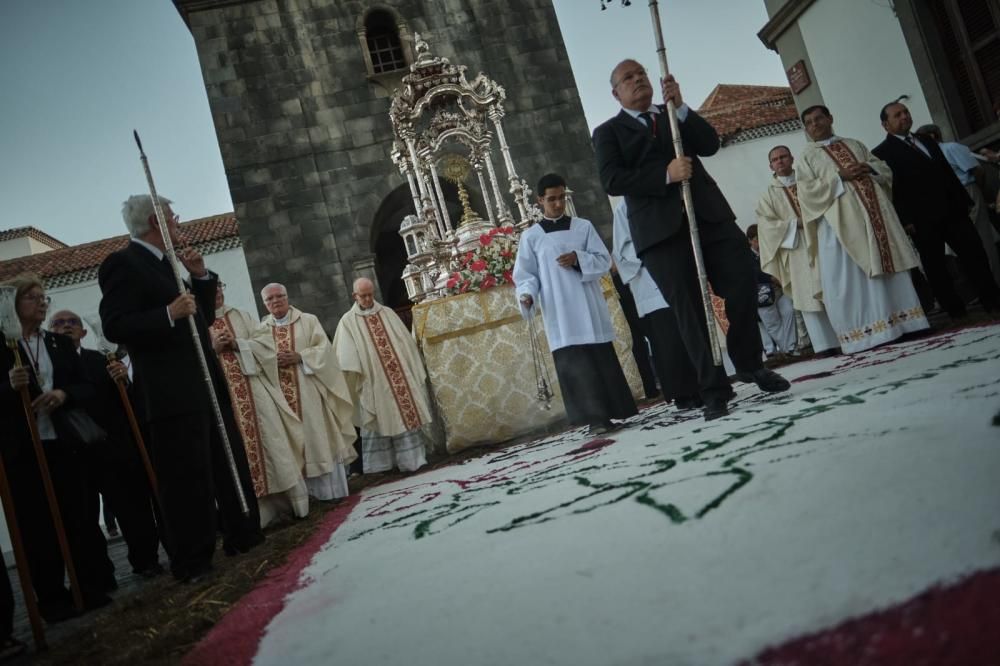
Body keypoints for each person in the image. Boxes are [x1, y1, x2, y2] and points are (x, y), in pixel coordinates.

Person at [592, 60, 789, 421]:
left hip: (709, 217)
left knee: (743, 282)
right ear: (615, 92)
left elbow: (710, 144)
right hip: (660, 233)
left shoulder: (672, 114)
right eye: (628, 78)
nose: (638, 81)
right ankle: (714, 388)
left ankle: (748, 363)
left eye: (642, 75)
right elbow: (612, 180)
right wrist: (664, 174)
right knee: (689, 312)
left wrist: (681, 106)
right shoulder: (608, 132)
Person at [99, 195, 263, 584]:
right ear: (155, 221)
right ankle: (193, 558)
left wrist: (201, 277)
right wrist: (166, 314)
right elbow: (115, 325)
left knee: (227, 463)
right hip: (171, 391)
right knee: (187, 477)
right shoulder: (123, 263)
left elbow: (199, 320)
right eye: (172, 216)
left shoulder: (169, 266)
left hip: (204, 381)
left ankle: (243, 533)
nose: (178, 221)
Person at [1, 275, 113, 621]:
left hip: (63, 441)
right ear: (13, 306)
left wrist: (63, 395)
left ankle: (88, 587)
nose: (41, 302)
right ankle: (52, 598)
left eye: (42, 296)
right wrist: (8, 385)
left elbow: (86, 385)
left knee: (78, 514)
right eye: (31, 297)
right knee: (36, 525)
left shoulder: (58, 344)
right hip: (23, 449)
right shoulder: (4, 346)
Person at [794, 106, 930, 352]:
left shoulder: (855, 144)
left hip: (876, 219)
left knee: (889, 267)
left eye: (819, 119)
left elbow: (884, 169)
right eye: (810, 122)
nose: (815, 124)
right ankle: (868, 333)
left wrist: (870, 168)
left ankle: (906, 323)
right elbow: (805, 192)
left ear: (830, 118)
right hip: (840, 229)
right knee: (854, 277)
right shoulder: (806, 157)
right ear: (806, 128)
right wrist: (839, 176)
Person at [513, 173, 637, 435]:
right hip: (560, 311)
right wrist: (526, 295)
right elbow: (526, 275)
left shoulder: (583, 227)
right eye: (551, 199)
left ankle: (614, 411)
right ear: (540, 201)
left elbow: (603, 260)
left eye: (561, 198)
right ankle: (594, 419)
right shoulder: (531, 237)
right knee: (576, 366)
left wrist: (578, 259)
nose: (558, 204)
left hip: (588, 305)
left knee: (599, 359)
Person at [48, 309, 162, 579]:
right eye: (59, 323)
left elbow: (125, 402)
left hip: (110, 446)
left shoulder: (100, 360)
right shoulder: (46, 368)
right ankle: (98, 577)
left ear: (84, 332)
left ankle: (145, 560)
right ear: (49, 333)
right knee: (83, 518)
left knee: (131, 507)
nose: (66, 326)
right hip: (72, 450)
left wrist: (123, 379)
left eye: (72, 322)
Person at [872, 102, 1000, 318]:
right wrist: (905, 220)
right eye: (897, 115)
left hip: (954, 211)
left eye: (906, 112)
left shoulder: (926, 141)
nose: (904, 116)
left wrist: (964, 201)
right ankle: (955, 311)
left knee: (975, 256)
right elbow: (891, 190)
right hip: (921, 220)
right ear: (886, 125)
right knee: (937, 267)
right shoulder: (881, 153)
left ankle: (993, 301)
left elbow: (947, 173)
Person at [209, 281, 309, 527]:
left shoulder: (241, 316)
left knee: (273, 444)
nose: (218, 292)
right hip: (224, 401)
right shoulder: (198, 325)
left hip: (255, 392)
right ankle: (257, 513)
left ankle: (290, 503)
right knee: (238, 453)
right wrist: (214, 348)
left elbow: (267, 347)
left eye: (220, 286)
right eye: (212, 290)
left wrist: (237, 344)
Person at [259, 283, 357, 498]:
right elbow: (259, 359)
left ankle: (330, 492)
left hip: (309, 392)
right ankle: (305, 498)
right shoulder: (261, 330)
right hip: (281, 399)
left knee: (317, 438)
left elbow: (325, 351)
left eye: (279, 296)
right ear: (265, 304)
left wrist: (300, 357)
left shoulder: (308, 320)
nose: (275, 301)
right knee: (293, 442)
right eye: (270, 299)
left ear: (287, 297)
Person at [333, 277, 432, 473]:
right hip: (372, 380)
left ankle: (412, 460)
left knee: (404, 413)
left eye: (370, 294)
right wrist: (357, 371)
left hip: (400, 377)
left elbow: (405, 343)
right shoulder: (347, 321)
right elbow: (344, 355)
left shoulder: (387, 313)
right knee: (376, 415)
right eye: (363, 296)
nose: (368, 299)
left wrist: (408, 366)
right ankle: (383, 465)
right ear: (355, 296)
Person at [610, 198, 702, 410]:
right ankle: (682, 394)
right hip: (649, 280)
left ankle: (703, 384)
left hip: (676, 272)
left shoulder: (663, 195)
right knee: (668, 340)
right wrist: (651, 251)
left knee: (689, 331)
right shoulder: (624, 206)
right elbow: (622, 249)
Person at [755, 146, 840, 354]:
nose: (780, 161)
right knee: (807, 293)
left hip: (822, 241)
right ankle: (823, 345)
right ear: (770, 166)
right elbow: (766, 226)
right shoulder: (768, 195)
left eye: (783, 157)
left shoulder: (809, 183)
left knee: (832, 287)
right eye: (775, 159)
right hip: (796, 250)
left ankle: (844, 334)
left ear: (792, 159)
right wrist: (795, 225)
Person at [915, 123, 1000, 284]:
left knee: (982, 239)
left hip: (967, 190)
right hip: (948, 198)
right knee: (965, 244)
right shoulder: (929, 155)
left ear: (933, 136)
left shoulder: (951, 148)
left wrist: (977, 193)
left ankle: (994, 281)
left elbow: (977, 171)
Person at [746, 224, 798, 356]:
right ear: (750, 240)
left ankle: (790, 347)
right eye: (756, 239)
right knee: (773, 324)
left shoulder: (769, 249)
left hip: (779, 289)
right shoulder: (746, 256)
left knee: (789, 311)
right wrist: (771, 278)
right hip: (762, 293)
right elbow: (754, 272)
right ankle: (787, 348)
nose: (759, 242)